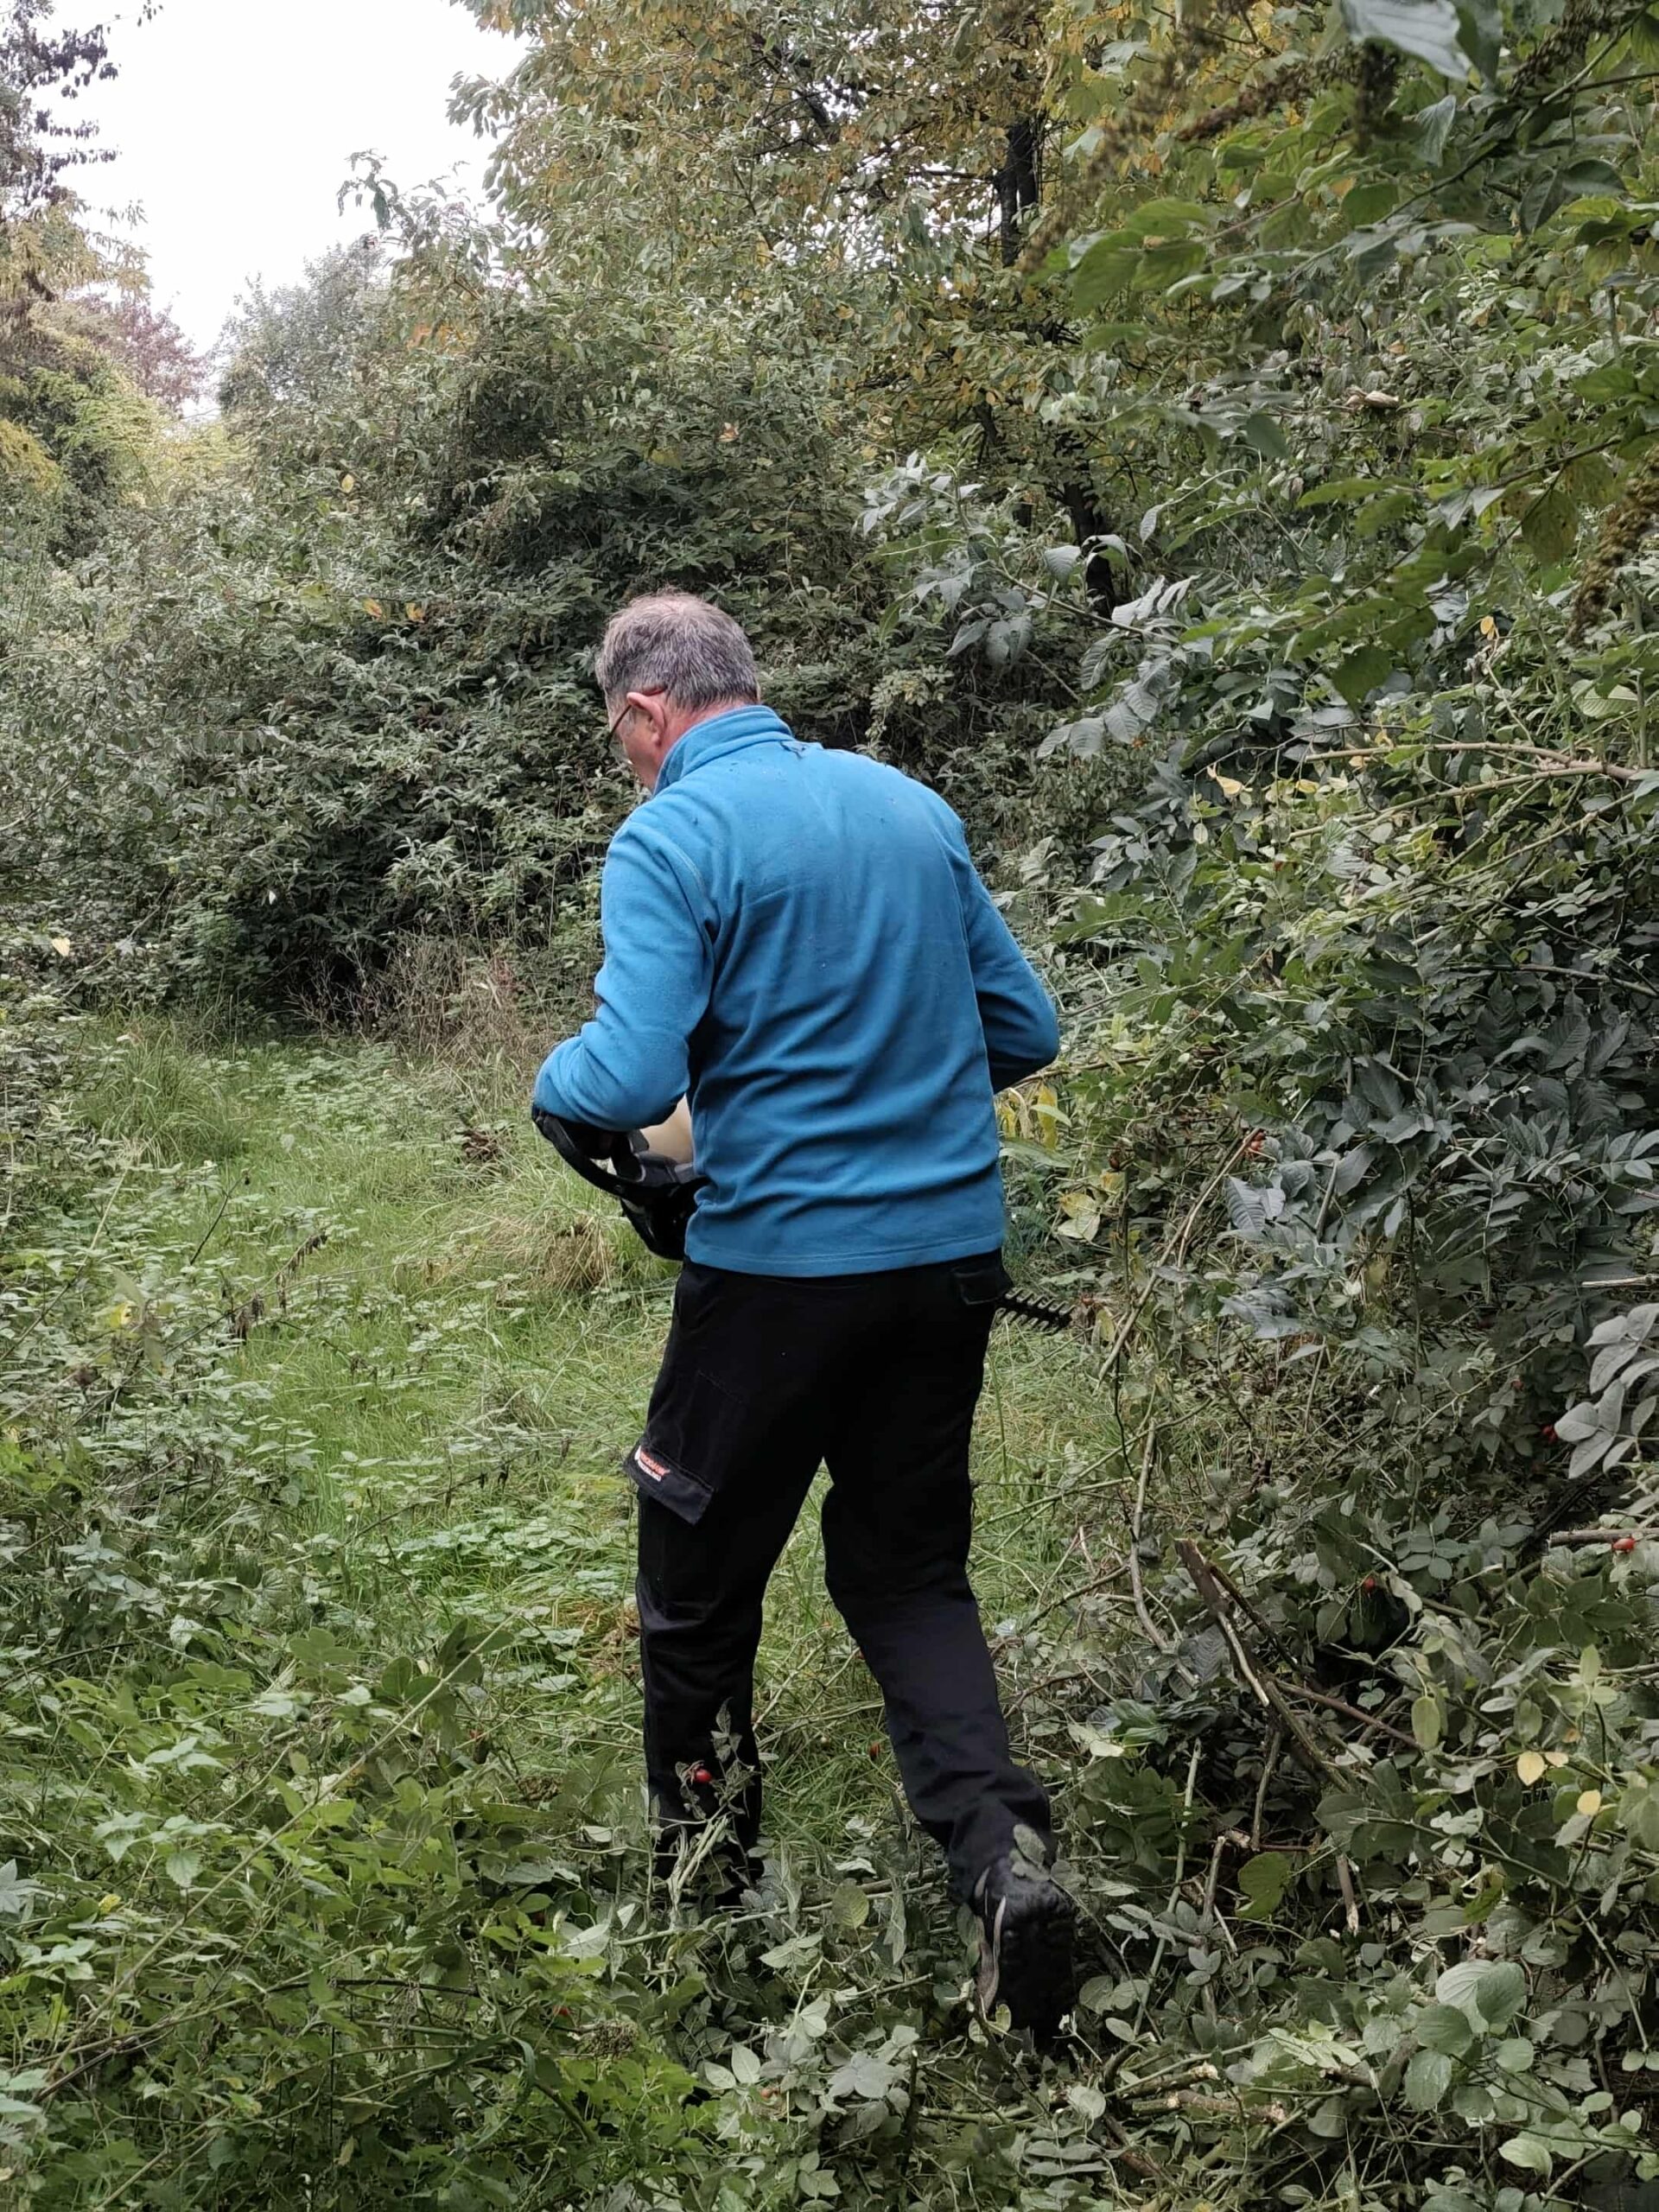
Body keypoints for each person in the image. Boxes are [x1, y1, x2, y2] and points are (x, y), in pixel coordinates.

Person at [531, 592, 1075, 2036]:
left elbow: (629, 1074)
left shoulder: (674, 834)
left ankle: (709, 1901)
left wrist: (551, 1086)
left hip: (777, 1279)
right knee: (909, 1575)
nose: (626, 760)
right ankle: (1003, 1863)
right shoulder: (907, 808)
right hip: (948, 1264)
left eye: (620, 737)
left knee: (697, 1586)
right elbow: (1025, 1028)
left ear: (646, 712)